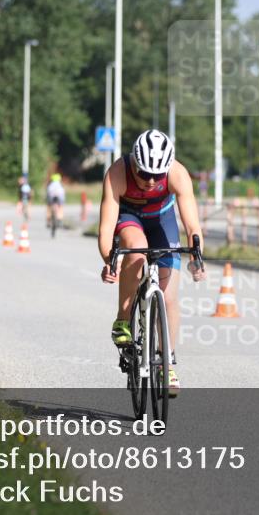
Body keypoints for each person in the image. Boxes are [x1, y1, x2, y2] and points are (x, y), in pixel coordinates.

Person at [98, 129, 206, 396]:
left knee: (168, 298)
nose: (150, 181)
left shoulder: (177, 173)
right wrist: (110, 260)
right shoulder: (117, 173)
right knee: (136, 249)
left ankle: (166, 362)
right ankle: (123, 320)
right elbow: (106, 228)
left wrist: (196, 256)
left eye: (157, 176)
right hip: (129, 217)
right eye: (144, 173)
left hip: (161, 220)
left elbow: (192, 225)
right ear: (134, 162)